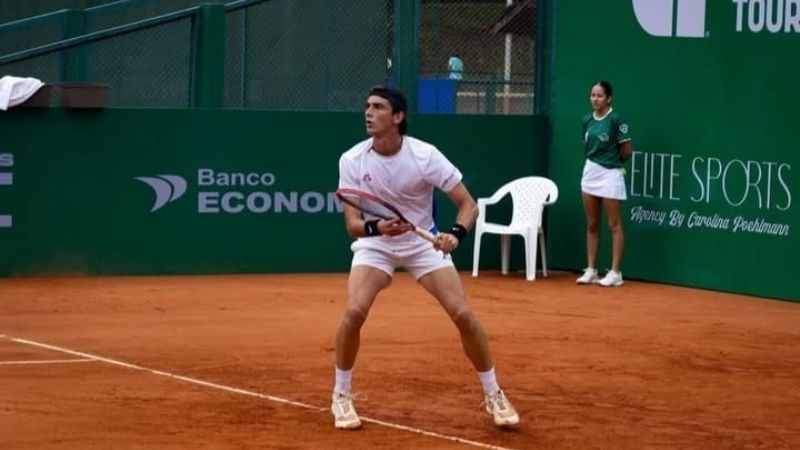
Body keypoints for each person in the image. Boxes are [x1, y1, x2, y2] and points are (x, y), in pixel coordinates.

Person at [331, 85, 519, 430]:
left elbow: (468, 205)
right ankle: (341, 396)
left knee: (462, 314)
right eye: (367, 106)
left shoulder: (425, 155)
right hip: (377, 244)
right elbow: (354, 227)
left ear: (398, 117)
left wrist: (455, 235)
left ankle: (494, 393)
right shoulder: (352, 159)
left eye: (378, 107)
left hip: (422, 244)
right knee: (355, 311)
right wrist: (380, 228)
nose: (368, 113)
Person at [576, 80, 632, 287]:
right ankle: (591, 270)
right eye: (592, 95)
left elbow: (627, 151)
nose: (595, 99)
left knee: (614, 225)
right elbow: (587, 146)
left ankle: (615, 272)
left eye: (599, 96)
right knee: (592, 224)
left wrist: (612, 164)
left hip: (611, 174)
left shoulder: (616, 119)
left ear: (609, 98)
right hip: (590, 172)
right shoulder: (586, 121)